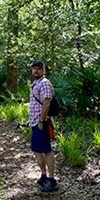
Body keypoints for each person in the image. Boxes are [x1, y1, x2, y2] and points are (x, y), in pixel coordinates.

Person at [29, 60, 58, 192]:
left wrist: (41, 121)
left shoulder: (45, 83)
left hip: (42, 123)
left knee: (46, 150)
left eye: (39, 69)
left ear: (43, 70)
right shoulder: (35, 84)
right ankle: (43, 175)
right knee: (37, 149)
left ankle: (51, 180)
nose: (36, 71)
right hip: (35, 122)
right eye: (34, 68)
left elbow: (46, 103)